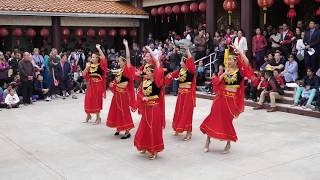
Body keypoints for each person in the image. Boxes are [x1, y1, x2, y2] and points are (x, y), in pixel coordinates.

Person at [200, 45, 254, 154]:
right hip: (220, 99)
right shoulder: (225, 71)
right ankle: (207, 141)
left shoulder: (240, 72)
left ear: (235, 60)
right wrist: (224, 73)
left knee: (227, 122)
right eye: (227, 59)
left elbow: (247, 62)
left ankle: (228, 143)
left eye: (230, 59)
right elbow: (215, 82)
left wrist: (239, 50)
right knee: (213, 118)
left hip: (231, 101)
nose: (228, 61)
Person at [134, 46, 165, 160]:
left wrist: (150, 51)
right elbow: (139, 93)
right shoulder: (145, 82)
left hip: (154, 108)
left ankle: (154, 150)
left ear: (153, 73)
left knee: (153, 128)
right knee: (145, 128)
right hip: (146, 109)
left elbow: (157, 64)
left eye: (147, 71)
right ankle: (145, 146)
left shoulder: (158, 82)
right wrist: (142, 98)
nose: (144, 73)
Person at [165, 44, 196, 141]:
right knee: (179, 111)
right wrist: (168, 76)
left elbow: (191, 61)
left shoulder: (191, 71)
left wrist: (187, 50)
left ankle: (189, 132)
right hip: (181, 94)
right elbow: (172, 75)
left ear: (186, 63)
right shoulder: (180, 70)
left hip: (188, 95)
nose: (180, 63)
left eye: (182, 61)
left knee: (187, 113)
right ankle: (178, 128)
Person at [107, 39, 136, 139]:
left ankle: (127, 131)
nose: (118, 62)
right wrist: (113, 84)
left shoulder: (127, 69)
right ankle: (119, 128)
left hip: (123, 95)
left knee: (124, 111)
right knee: (116, 111)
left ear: (124, 62)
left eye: (119, 61)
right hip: (117, 94)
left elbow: (128, 57)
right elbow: (118, 81)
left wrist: (126, 45)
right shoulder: (121, 70)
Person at [83, 44, 107, 124]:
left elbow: (104, 58)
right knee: (88, 100)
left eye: (94, 57)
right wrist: (86, 68)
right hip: (91, 86)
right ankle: (88, 115)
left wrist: (99, 48)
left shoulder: (101, 65)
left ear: (97, 58)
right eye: (92, 57)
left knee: (96, 101)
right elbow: (83, 75)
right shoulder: (89, 65)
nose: (92, 58)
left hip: (98, 86)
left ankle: (98, 117)